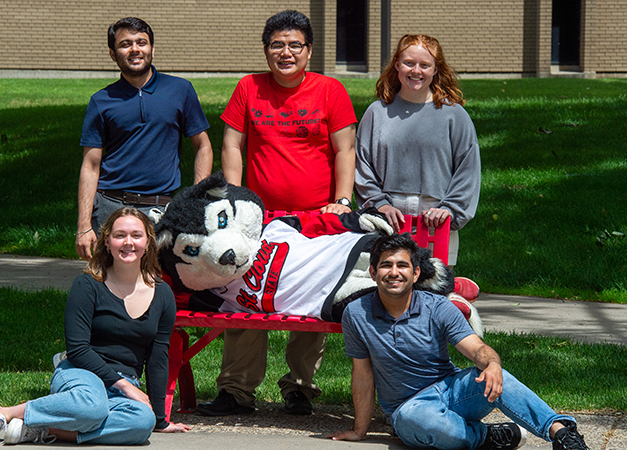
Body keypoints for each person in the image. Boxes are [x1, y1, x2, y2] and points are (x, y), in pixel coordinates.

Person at [199, 10, 357, 417]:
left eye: (294, 45)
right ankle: (236, 390)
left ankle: (300, 388)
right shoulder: (249, 87)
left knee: (310, 294)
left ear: (308, 50)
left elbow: (345, 150)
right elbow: (233, 144)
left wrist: (342, 199)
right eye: (276, 45)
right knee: (245, 294)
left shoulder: (330, 90)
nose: (285, 53)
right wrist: (234, 198)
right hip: (259, 220)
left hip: (315, 220)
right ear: (266, 49)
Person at [328, 234, 590, 450]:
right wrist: (359, 431)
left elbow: (477, 348)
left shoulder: (438, 307)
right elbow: (362, 374)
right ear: (373, 273)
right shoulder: (356, 313)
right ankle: (486, 436)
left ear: (416, 273)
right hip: (408, 408)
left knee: (494, 374)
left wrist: (493, 364)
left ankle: (563, 435)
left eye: (402, 265)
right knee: (423, 422)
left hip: (451, 390)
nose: (394, 272)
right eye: (386, 265)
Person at [0, 208, 187, 446]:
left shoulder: (162, 294)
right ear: (107, 241)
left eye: (136, 235)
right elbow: (78, 348)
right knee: (92, 407)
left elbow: (157, 357)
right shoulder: (87, 285)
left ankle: (42, 430)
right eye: (120, 235)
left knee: (142, 423)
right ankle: (4, 414)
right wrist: (123, 385)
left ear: (148, 242)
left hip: (123, 387)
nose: (128, 242)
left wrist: (160, 421)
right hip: (82, 373)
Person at [75, 17, 213, 261]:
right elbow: (91, 164)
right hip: (110, 206)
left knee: (158, 284)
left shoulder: (180, 90)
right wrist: (84, 225)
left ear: (152, 49)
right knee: (107, 284)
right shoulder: (101, 100)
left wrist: (194, 200)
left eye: (142, 42)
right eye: (125, 44)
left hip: (161, 209)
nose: (135, 49)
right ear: (112, 53)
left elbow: (203, 146)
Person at [354, 34, 481, 271]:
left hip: (436, 220)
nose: (416, 71)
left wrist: (450, 209)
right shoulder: (377, 113)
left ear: (436, 70)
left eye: (425, 65)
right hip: (388, 219)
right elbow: (362, 166)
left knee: (436, 292)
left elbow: (468, 170)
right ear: (397, 65)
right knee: (387, 288)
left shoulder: (454, 116)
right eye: (409, 63)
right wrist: (379, 205)